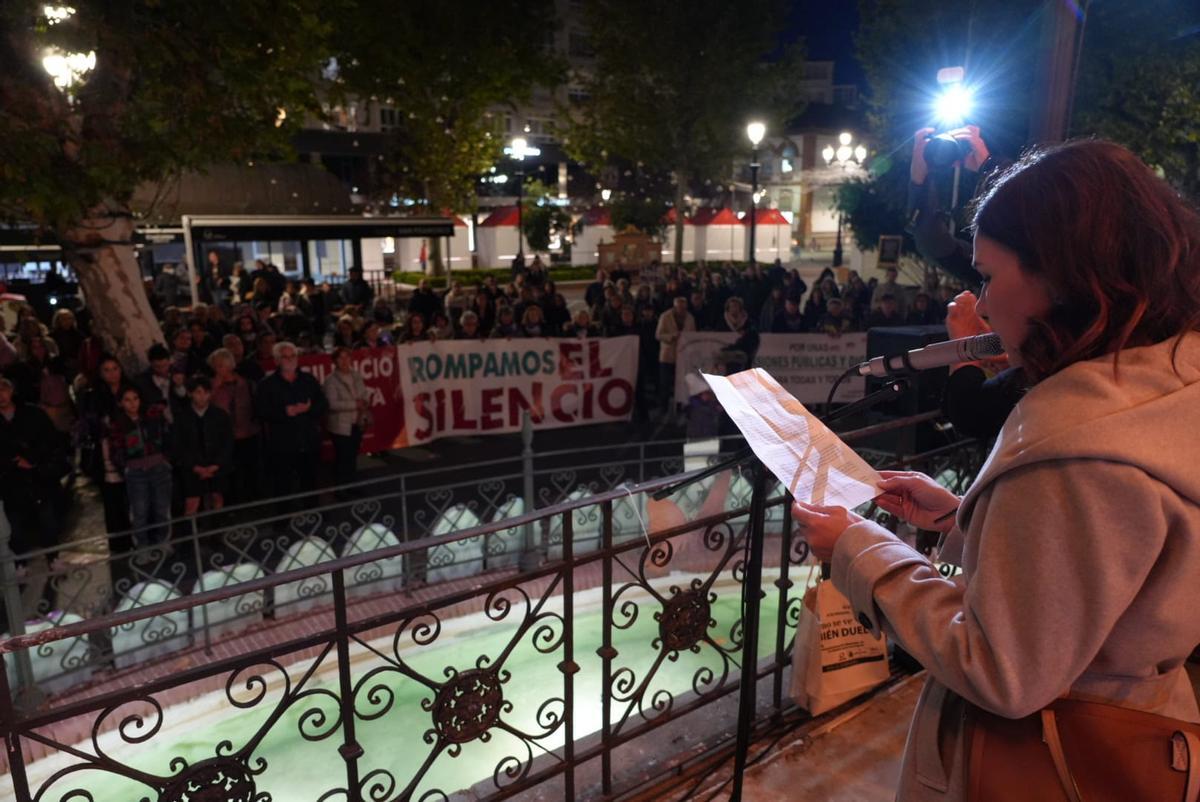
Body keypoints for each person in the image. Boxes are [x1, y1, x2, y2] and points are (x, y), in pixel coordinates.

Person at [791, 140, 1200, 801]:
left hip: (1048, 765)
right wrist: (964, 520)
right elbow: (1104, 572)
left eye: (987, 276)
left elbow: (1002, 668)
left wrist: (859, 552)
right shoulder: (1166, 389)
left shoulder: (1079, 445)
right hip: (1144, 740)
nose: (978, 307)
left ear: (1063, 278)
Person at [255, 341, 327, 500]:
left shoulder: (309, 380)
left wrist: (308, 409)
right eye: (284, 357)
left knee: (311, 481)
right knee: (283, 484)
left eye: (292, 355)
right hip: (282, 443)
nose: (289, 359)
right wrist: (284, 412)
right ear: (277, 360)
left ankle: (314, 515)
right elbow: (260, 411)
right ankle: (284, 520)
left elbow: (322, 404)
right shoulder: (266, 385)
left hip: (308, 440)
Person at [105, 385, 172, 545]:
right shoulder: (117, 424)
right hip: (135, 471)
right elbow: (116, 449)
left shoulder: (153, 416)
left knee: (162, 509)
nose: (133, 403)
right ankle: (142, 547)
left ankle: (164, 543)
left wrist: (166, 459)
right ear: (121, 403)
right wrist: (127, 466)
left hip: (159, 467)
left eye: (135, 399)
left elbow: (167, 436)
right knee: (139, 511)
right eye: (127, 400)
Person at [173, 375, 233, 515]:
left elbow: (227, 442)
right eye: (198, 392)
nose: (202, 397)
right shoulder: (182, 418)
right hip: (192, 468)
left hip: (216, 465)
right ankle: (193, 534)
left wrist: (216, 465)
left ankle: (217, 532)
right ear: (190, 394)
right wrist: (195, 467)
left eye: (206, 392)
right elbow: (178, 445)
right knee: (192, 502)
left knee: (217, 497)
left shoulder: (220, 415)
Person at [208, 347, 260, 505]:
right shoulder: (211, 387)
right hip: (225, 438)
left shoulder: (246, 384)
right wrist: (214, 388)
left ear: (230, 365)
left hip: (249, 433)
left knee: (252, 470)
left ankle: (255, 501)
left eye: (221, 365)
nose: (218, 369)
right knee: (229, 474)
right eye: (215, 366)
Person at [323, 347, 370, 492]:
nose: (344, 361)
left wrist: (365, 401)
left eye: (347, 357)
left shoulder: (356, 375)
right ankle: (341, 490)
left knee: (352, 457)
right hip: (340, 426)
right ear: (335, 361)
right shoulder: (330, 380)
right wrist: (355, 404)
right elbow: (331, 404)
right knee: (343, 458)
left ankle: (352, 486)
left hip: (357, 422)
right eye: (340, 358)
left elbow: (364, 392)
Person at [654, 296, 695, 418]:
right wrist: (672, 336)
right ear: (675, 306)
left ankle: (680, 406)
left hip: (683, 356)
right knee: (665, 383)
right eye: (679, 307)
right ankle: (663, 408)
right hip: (668, 355)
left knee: (681, 383)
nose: (681, 309)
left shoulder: (690, 318)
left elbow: (693, 334)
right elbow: (658, 335)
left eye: (683, 307)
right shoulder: (665, 316)